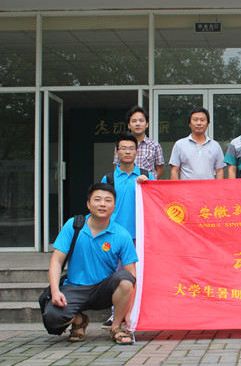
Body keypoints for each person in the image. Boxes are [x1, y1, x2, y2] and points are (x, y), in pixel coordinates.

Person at [42, 183, 138, 345]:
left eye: (108, 200)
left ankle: (116, 327)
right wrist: (55, 291)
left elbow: (132, 275)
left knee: (125, 278)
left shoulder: (122, 235)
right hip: (74, 288)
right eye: (97, 199)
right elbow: (56, 261)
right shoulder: (73, 226)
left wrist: (130, 312)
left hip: (104, 290)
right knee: (52, 318)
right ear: (88, 204)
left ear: (114, 206)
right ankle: (79, 320)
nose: (102, 204)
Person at [102, 133, 153, 241]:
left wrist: (148, 185)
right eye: (123, 148)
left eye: (131, 148)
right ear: (116, 152)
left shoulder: (147, 176)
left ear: (137, 152)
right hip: (114, 233)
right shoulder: (108, 178)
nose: (128, 152)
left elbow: (155, 204)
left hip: (141, 235)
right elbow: (102, 207)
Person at [169, 107, 225, 180]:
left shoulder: (215, 145)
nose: (199, 123)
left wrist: (218, 187)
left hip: (209, 187)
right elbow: (174, 170)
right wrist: (176, 187)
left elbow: (219, 171)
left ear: (207, 124)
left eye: (202, 120)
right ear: (189, 123)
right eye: (195, 120)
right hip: (186, 187)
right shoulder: (180, 145)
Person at [113, 106, 165, 179]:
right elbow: (116, 166)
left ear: (147, 124)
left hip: (147, 184)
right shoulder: (121, 145)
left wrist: (150, 181)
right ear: (129, 125)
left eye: (141, 121)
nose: (138, 124)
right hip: (127, 183)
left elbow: (160, 170)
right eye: (134, 121)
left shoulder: (154, 145)